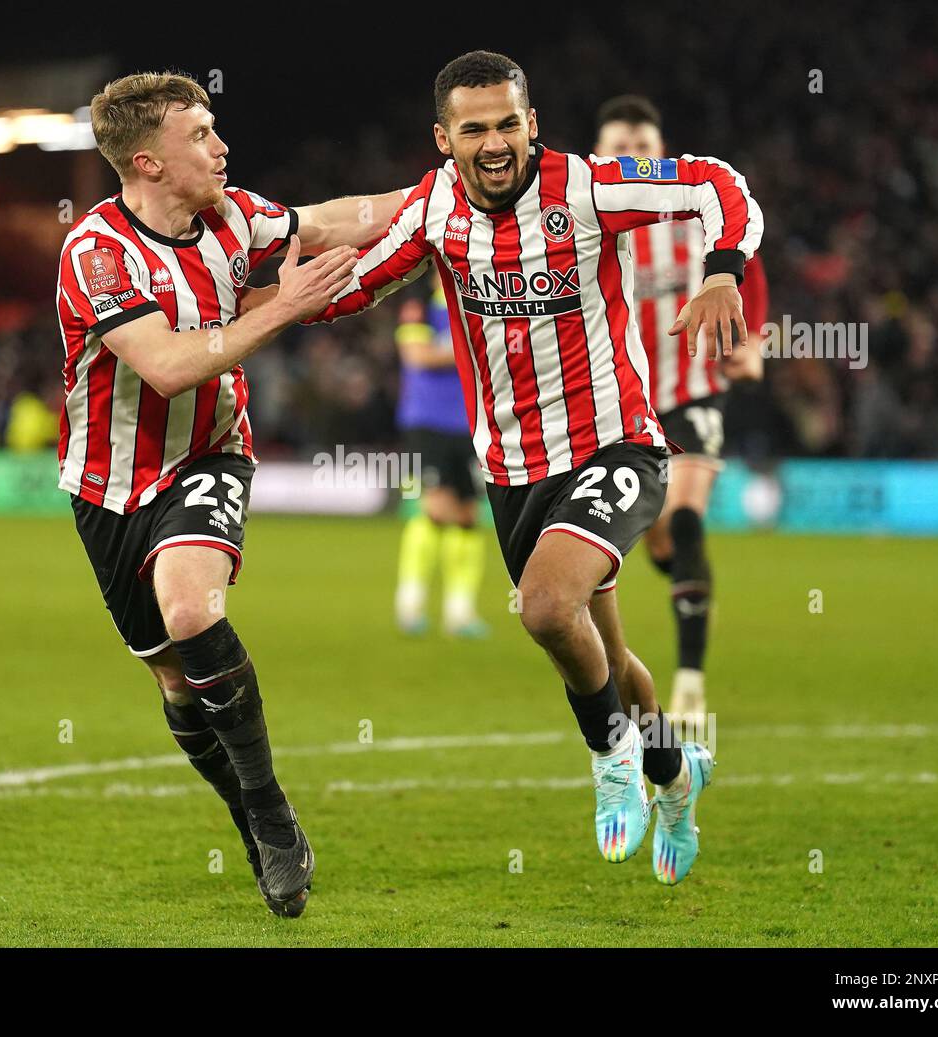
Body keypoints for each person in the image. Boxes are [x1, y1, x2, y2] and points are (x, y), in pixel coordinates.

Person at [307, 52, 763, 885]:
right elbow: (352, 285)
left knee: (548, 607)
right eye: (473, 128)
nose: (493, 143)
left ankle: (612, 757)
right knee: (611, 661)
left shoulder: (589, 187)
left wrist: (724, 270)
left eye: (507, 123)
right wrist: (249, 308)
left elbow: (715, 183)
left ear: (533, 122)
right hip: (515, 473)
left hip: (615, 443)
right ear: (443, 138)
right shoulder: (435, 207)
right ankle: (674, 776)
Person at [57, 71, 404, 916]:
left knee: (188, 607)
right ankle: (250, 812)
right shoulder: (96, 253)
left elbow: (333, 219)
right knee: (178, 684)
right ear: (148, 161)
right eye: (201, 135)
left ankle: (270, 809)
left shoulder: (231, 216)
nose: (222, 146)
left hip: (210, 454)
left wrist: (441, 195)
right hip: (107, 487)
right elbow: (168, 366)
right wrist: (283, 309)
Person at [594, 95, 770, 728]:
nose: (631, 158)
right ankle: (684, 583)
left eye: (642, 147)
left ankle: (690, 682)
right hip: (619, 404)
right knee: (662, 540)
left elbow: (744, 270)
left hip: (692, 393)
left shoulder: (696, 220)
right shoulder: (586, 224)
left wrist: (752, 345)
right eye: (618, 148)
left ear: (661, 154)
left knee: (687, 517)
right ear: (598, 156)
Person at [394, 268, 488, 638]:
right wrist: (470, 348)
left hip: (471, 422)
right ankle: (410, 603)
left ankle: (460, 611)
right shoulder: (417, 305)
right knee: (434, 508)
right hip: (427, 421)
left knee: (468, 515)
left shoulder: (479, 302)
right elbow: (418, 356)